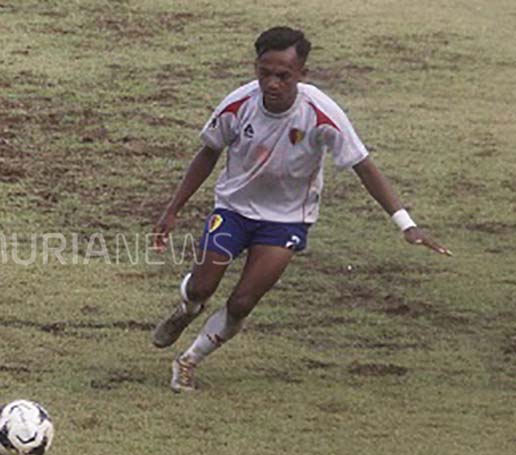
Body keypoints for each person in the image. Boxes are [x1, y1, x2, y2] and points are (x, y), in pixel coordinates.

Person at [150, 27, 451, 393]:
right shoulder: (237, 104)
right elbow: (208, 152)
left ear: (302, 74)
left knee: (243, 301)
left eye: (283, 76)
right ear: (255, 68)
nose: (272, 84)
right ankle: (187, 309)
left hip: (286, 219)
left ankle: (188, 361)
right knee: (201, 286)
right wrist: (172, 209)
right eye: (265, 73)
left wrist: (406, 224)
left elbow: (364, 167)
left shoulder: (321, 113)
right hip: (233, 209)